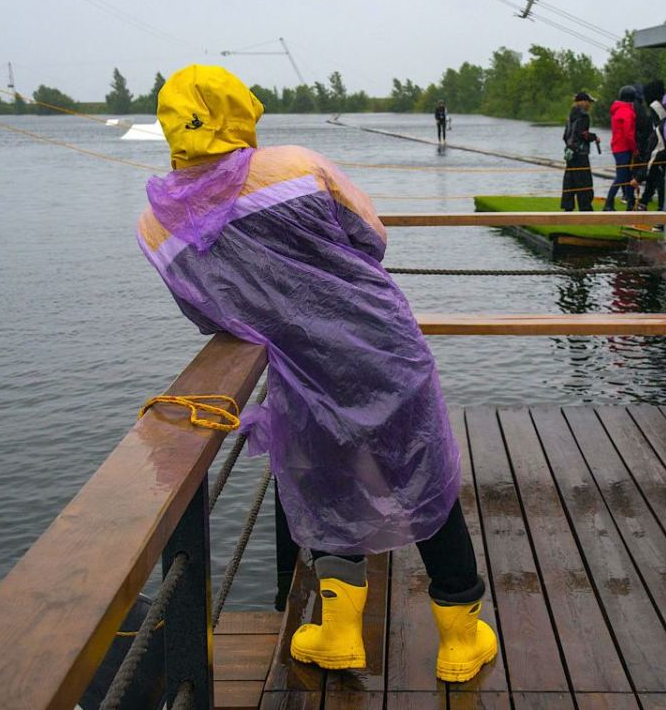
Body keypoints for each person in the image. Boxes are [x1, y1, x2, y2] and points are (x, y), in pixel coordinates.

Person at [137, 65, 497, 683]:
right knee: (424, 477)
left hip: (299, 371)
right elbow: (371, 238)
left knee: (328, 485)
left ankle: (338, 632)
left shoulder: (154, 224)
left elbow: (206, 315)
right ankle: (460, 638)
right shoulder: (299, 166)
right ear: (239, 112)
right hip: (381, 349)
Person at [603, 85, 639, 211]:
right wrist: (634, 149)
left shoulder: (617, 110)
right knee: (621, 177)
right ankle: (608, 203)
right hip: (624, 148)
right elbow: (629, 134)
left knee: (627, 176)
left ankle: (631, 203)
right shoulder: (627, 112)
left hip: (617, 147)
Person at [561, 91, 598, 211]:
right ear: (583, 102)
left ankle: (568, 208)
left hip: (569, 153)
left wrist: (569, 147)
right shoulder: (584, 116)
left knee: (570, 181)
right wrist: (594, 137)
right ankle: (585, 209)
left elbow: (565, 136)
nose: (589, 105)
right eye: (588, 102)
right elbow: (583, 135)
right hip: (580, 153)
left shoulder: (570, 116)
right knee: (585, 182)